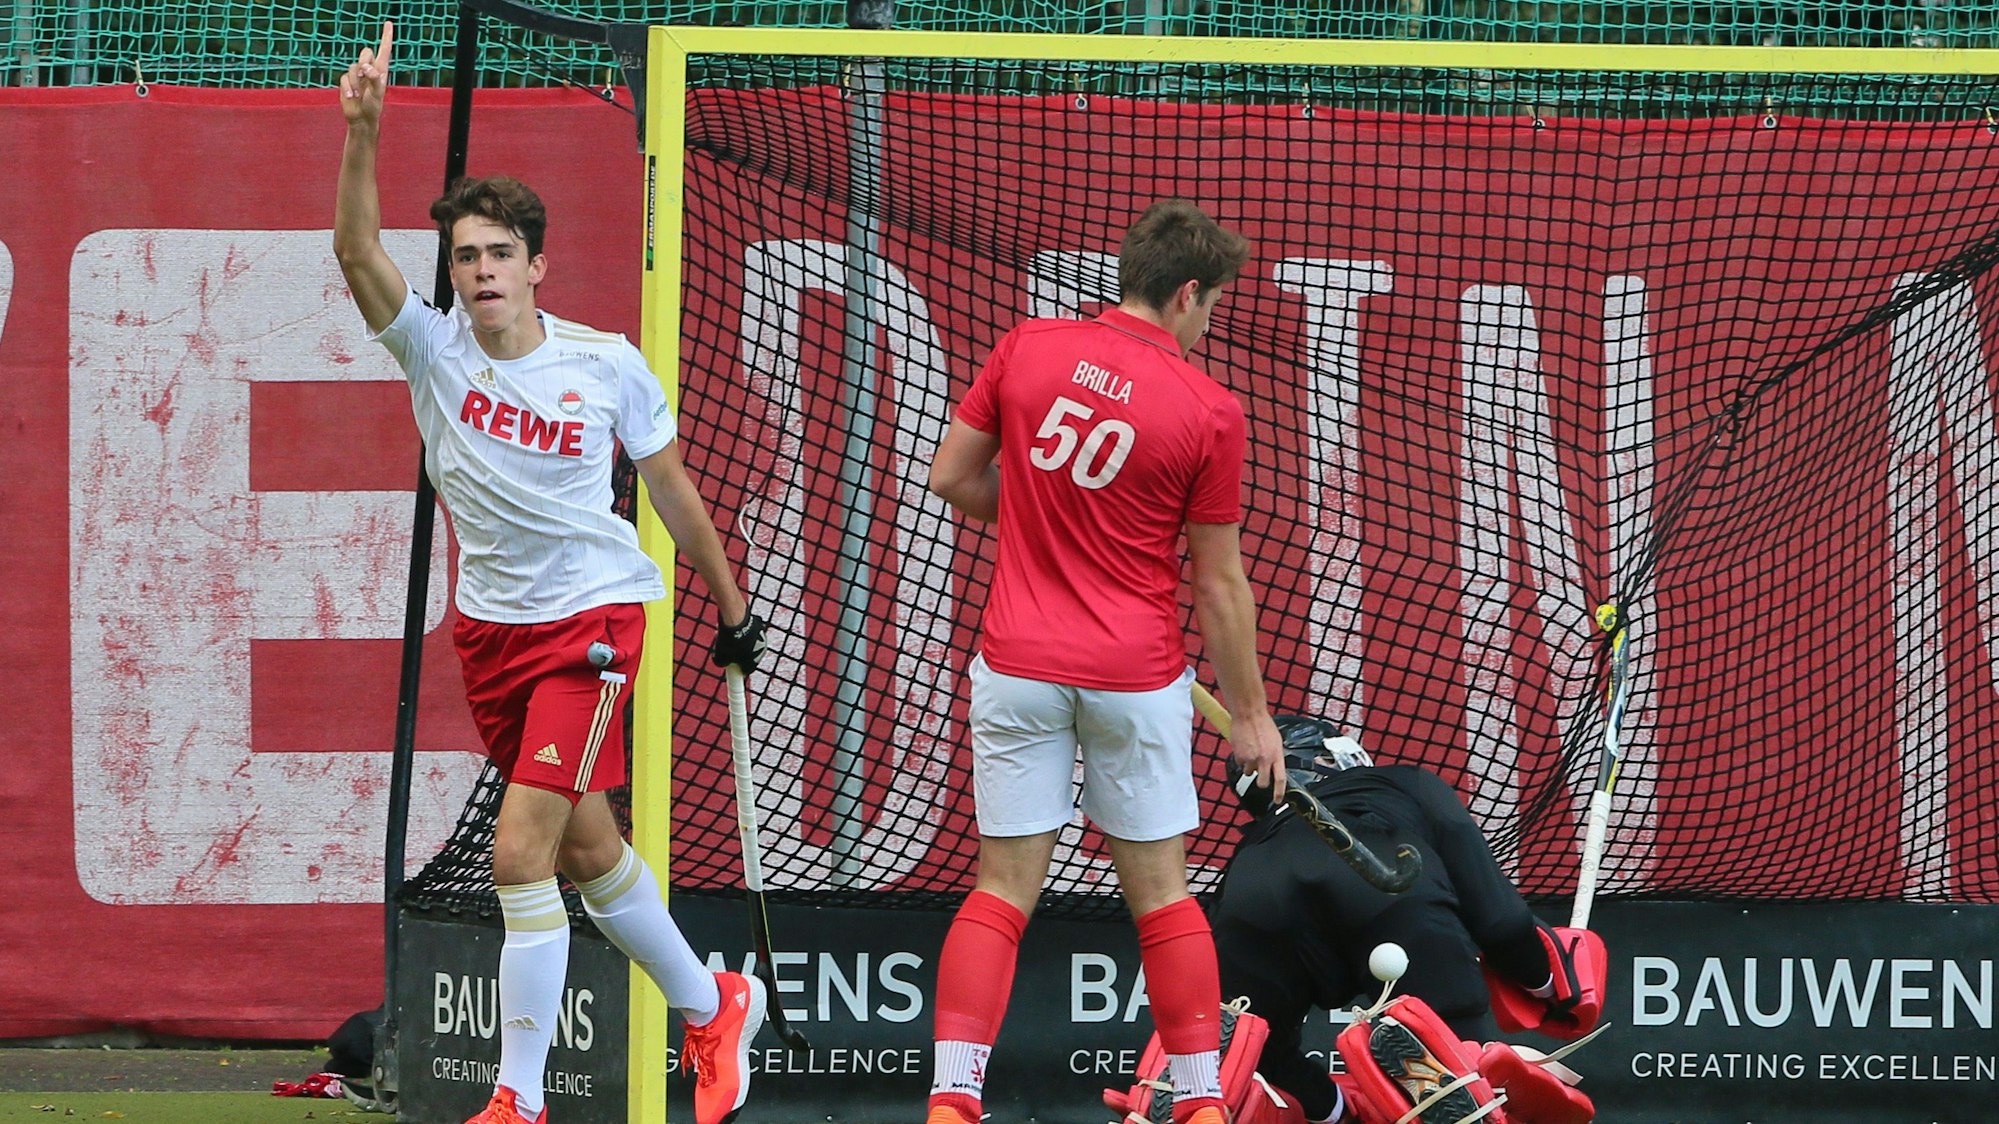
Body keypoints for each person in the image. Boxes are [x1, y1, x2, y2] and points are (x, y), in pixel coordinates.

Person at [334, 24, 769, 1124]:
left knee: (520, 847)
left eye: (496, 255)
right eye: (465, 257)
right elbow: (353, 252)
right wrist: (362, 134)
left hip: (592, 621)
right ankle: (711, 1001)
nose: (479, 273)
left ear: (537, 264)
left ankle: (514, 1100)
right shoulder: (432, 348)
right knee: (587, 845)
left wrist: (729, 601)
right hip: (491, 631)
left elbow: (670, 490)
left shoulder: (605, 363)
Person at [923, 199, 1288, 1124]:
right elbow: (1219, 585)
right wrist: (1250, 715)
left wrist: (1054, 523)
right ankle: (1203, 1104)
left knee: (1001, 890)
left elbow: (954, 476)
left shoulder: (1029, 346)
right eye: (1211, 310)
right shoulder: (1208, 409)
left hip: (1015, 665)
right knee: (1162, 898)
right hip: (1136, 679)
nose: (1208, 328)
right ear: (1188, 294)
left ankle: (952, 1101)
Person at [1211, 718, 1600, 1124]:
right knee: (1455, 1055)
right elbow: (1499, 919)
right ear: (1334, 753)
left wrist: (1341, 1109)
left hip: (1252, 895)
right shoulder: (1399, 783)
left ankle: (1231, 1101)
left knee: (1250, 1050)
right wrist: (1551, 983)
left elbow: (1258, 1039)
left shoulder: (1246, 852)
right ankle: (1465, 1073)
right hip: (1380, 877)